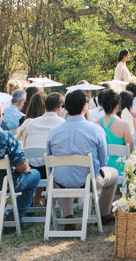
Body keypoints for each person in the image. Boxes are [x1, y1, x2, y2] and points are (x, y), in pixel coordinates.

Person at [46, 89, 118, 223]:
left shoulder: (53, 132)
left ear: (66, 108)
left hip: (60, 181)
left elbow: (50, 159)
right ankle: (103, 213)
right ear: (85, 107)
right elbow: (104, 160)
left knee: (61, 174)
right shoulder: (95, 129)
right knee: (113, 174)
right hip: (88, 181)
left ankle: (69, 216)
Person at [0, 102, 40, 222]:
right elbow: (22, 166)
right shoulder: (6, 137)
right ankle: (13, 217)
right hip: (6, 184)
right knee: (35, 175)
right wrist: (24, 168)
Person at [98, 89, 133, 176]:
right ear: (117, 105)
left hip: (101, 173)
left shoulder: (95, 125)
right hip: (120, 172)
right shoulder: (124, 125)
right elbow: (131, 150)